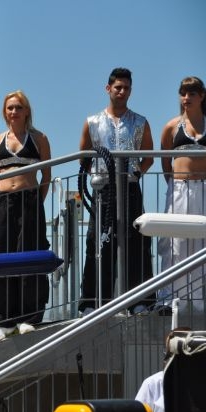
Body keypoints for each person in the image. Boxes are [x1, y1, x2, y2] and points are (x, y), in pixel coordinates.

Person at [78, 67, 155, 315]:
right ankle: (93, 302)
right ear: (108, 88)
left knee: (137, 243)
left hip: (130, 189)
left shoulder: (140, 121)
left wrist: (137, 173)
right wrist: (96, 175)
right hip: (104, 191)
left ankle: (141, 300)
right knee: (97, 243)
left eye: (126, 88)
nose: (122, 92)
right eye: (118, 87)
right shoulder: (92, 122)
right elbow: (83, 155)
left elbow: (148, 155)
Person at [0, 90, 52, 341]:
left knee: (29, 256)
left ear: (27, 111)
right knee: (2, 256)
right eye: (9, 108)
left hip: (30, 201)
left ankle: (29, 317)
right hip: (4, 202)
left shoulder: (39, 139)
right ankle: (3, 321)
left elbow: (46, 175)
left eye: (18, 107)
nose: (13, 112)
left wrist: (36, 201)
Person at [158, 76, 206, 314]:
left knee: (201, 243)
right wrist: (175, 182)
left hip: (204, 189)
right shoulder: (172, 126)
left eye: (192, 93)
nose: (186, 98)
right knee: (175, 243)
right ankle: (170, 300)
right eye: (183, 93)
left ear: (202, 96)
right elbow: (165, 161)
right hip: (178, 188)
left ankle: (198, 302)